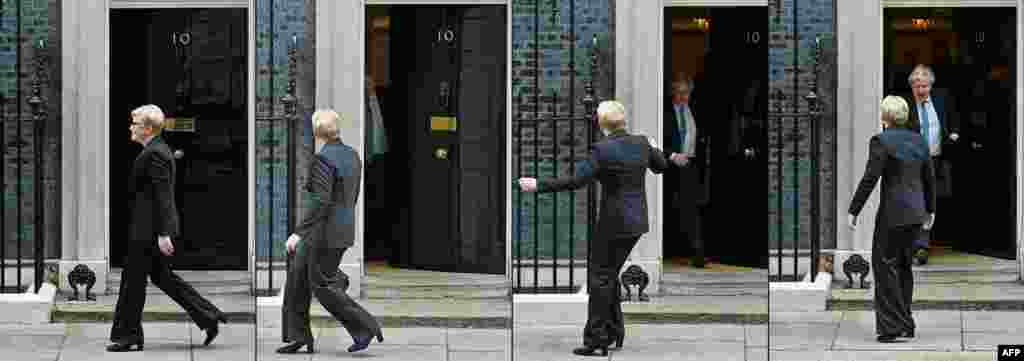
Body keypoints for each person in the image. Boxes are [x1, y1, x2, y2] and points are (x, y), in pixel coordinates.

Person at [518, 100, 668, 356]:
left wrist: (538, 184)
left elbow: (576, 181)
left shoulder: (602, 150)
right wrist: (655, 147)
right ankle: (615, 331)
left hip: (612, 224)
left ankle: (597, 339)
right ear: (623, 120)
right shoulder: (642, 143)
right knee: (608, 275)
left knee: (599, 278)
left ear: (601, 124)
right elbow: (661, 167)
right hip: (637, 223)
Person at [108, 104, 227, 352]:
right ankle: (208, 317)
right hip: (147, 228)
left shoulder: (155, 154)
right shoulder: (155, 150)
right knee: (164, 278)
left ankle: (127, 336)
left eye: (135, 123)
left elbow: (163, 196)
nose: (131, 127)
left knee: (132, 281)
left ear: (148, 128)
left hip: (147, 231)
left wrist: (163, 233)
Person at [278, 109, 384, 354]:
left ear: (316, 131)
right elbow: (354, 194)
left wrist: (299, 232)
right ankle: (298, 335)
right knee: (297, 277)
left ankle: (365, 326)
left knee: (322, 285)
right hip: (340, 229)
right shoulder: (353, 155)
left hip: (323, 232)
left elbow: (321, 201)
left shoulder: (323, 159)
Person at [848, 96, 936, 343]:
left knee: (884, 266)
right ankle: (906, 322)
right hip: (916, 215)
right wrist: (931, 210)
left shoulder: (881, 141)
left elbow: (870, 178)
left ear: (884, 118)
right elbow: (929, 178)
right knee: (904, 267)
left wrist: (854, 210)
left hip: (892, 215)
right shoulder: (919, 140)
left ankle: (890, 327)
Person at [904, 64, 959, 265]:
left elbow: (953, 120)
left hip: (935, 159)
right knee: (913, 202)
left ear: (931, 85)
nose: (921, 90)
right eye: (917, 86)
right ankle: (915, 245)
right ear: (911, 87)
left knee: (929, 201)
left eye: (925, 86)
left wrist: (954, 134)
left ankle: (922, 245)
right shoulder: (906, 105)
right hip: (913, 161)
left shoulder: (942, 100)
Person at [663, 73, 702, 267]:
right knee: (671, 209)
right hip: (669, 166)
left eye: (686, 93)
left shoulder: (695, 109)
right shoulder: (664, 112)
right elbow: (654, 139)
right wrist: (672, 156)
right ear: (672, 92)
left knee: (691, 208)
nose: (682, 96)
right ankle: (670, 252)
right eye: (679, 92)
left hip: (691, 166)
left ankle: (697, 252)